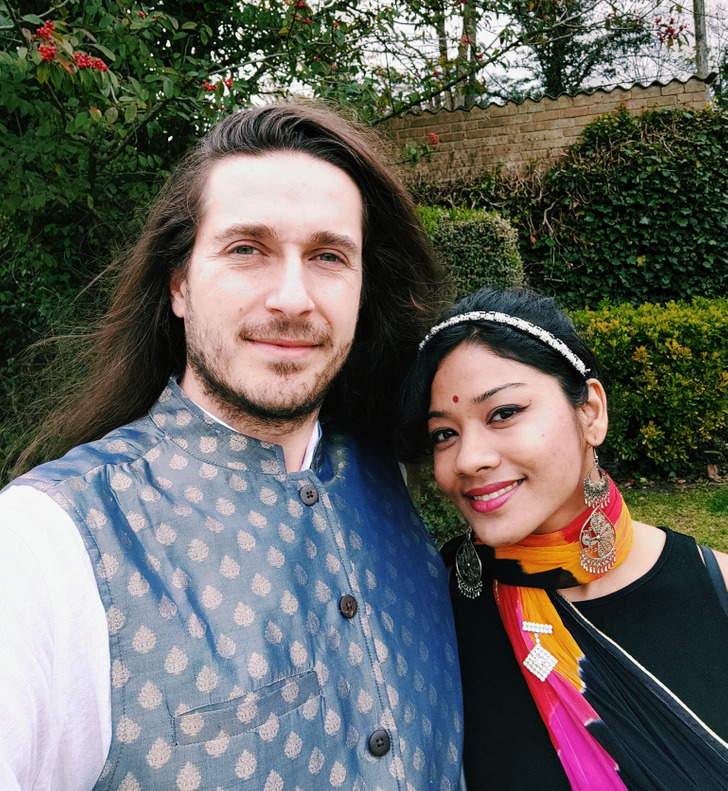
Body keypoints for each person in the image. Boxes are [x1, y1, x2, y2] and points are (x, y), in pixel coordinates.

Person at [0, 103, 464, 791]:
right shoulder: (45, 546)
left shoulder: (390, 469)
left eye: (329, 256)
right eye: (247, 249)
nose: (292, 298)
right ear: (179, 284)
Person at [397, 286, 728, 790]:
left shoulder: (718, 590)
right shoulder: (429, 615)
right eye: (445, 434)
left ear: (590, 411)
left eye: (503, 413)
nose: (467, 459)